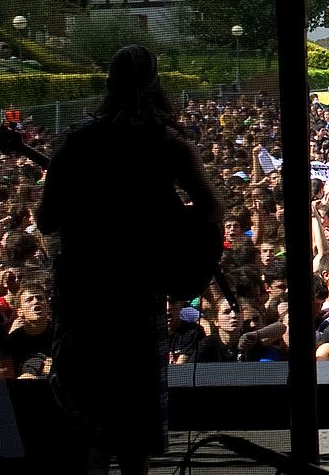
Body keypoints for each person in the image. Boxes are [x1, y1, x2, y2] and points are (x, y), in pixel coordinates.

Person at [37, 45, 216, 475]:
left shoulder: (80, 140)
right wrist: (186, 260)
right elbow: (209, 209)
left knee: (89, 423)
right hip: (140, 295)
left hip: (85, 295)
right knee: (136, 429)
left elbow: (47, 219)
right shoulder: (167, 144)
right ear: (156, 85)